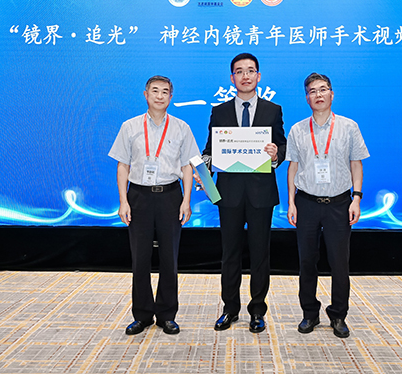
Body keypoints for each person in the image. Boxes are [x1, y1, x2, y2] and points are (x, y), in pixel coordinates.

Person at [199, 53, 287, 333]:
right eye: (239, 71)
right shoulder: (220, 111)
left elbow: (282, 145)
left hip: (261, 194)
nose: (245, 76)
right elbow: (210, 150)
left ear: (258, 76)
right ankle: (230, 309)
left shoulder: (273, 110)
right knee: (230, 254)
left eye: (250, 71)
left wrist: (276, 155)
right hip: (230, 194)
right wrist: (204, 173)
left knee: (260, 254)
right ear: (232, 78)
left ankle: (257, 311)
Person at [108, 75, 200, 336]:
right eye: (155, 91)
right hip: (139, 196)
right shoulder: (129, 126)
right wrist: (123, 201)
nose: (160, 96)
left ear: (171, 97)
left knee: (170, 258)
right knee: (140, 258)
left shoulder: (181, 127)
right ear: (146, 95)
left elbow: (187, 167)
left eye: (165, 92)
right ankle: (142, 315)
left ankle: (167, 315)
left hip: (170, 195)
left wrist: (186, 200)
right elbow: (123, 166)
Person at [286, 72, 369, 338]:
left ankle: (338, 315)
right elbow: (293, 167)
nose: (318, 95)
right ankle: (309, 313)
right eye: (312, 91)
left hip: (339, 204)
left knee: (339, 263)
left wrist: (356, 198)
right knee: (306, 261)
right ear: (306, 98)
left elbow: (356, 163)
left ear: (332, 94)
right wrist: (291, 202)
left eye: (323, 89)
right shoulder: (298, 129)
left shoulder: (349, 126)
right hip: (306, 203)